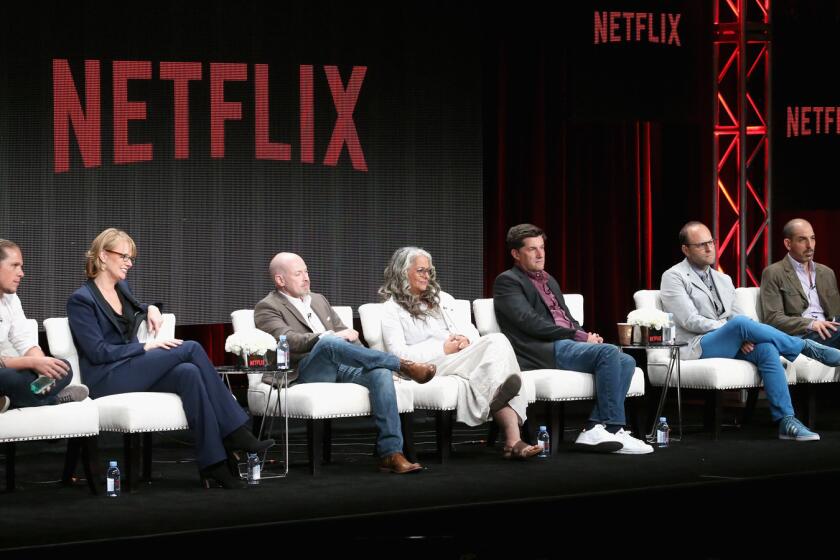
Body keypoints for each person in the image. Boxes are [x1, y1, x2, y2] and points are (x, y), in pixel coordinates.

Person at [67, 228, 273, 489]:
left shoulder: (121, 288)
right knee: (191, 348)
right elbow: (97, 352)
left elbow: (137, 307)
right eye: (124, 257)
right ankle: (235, 431)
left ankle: (214, 465)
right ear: (103, 256)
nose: (129, 263)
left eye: (131, 258)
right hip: (105, 377)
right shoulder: (81, 300)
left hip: (129, 370)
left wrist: (151, 307)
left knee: (190, 373)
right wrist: (146, 347)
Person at [254, 252, 437, 474]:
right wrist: (329, 336)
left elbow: (348, 335)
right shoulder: (267, 306)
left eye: (306, 272)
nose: (306, 278)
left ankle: (391, 454)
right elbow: (288, 340)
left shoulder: (318, 299)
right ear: (280, 280)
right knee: (329, 341)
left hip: (339, 364)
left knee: (379, 373)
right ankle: (401, 364)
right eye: (298, 274)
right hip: (304, 370)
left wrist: (365, 359)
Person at [660, 220, 840, 442]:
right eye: (701, 245)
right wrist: (735, 331)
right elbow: (690, 320)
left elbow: (736, 315)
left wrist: (738, 333)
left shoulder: (723, 278)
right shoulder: (673, 276)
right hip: (697, 344)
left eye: (711, 242)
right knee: (740, 325)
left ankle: (786, 421)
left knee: (765, 349)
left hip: (728, 340)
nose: (709, 249)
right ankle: (807, 347)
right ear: (685, 249)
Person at [493, 224, 652, 455]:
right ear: (516, 254)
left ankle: (596, 427)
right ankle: (613, 426)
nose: (540, 254)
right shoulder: (507, 281)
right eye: (532, 249)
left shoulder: (549, 280)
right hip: (541, 350)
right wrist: (578, 335)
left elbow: (567, 319)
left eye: (542, 248)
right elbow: (528, 321)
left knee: (625, 360)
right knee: (609, 353)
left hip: (566, 343)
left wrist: (587, 336)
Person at [379, 247, 540, 460]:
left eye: (429, 271)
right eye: (420, 271)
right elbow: (398, 354)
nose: (427, 276)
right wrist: (442, 349)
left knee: (495, 357)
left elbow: (471, 331)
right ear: (402, 272)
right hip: (428, 366)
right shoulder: (392, 309)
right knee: (496, 342)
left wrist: (466, 341)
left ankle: (512, 439)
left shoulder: (443, 299)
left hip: (460, 357)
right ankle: (509, 429)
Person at [0, 239, 88, 413]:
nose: (21, 273)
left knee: (62, 368)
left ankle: (11, 400)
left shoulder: (11, 299)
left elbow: (24, 339)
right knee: (8, 377)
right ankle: (52, 400)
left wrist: (42, 367)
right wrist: (33, 362)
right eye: (15, 265)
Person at [759, 218, 840, 348]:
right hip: (803, 334)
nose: (810, 245)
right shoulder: (773, 273)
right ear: (788, 244)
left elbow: (836, 313)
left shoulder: (826, 273)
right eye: (802, 239)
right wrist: (811, 324)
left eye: (812, 238)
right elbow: (773, 319)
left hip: (830, 328)